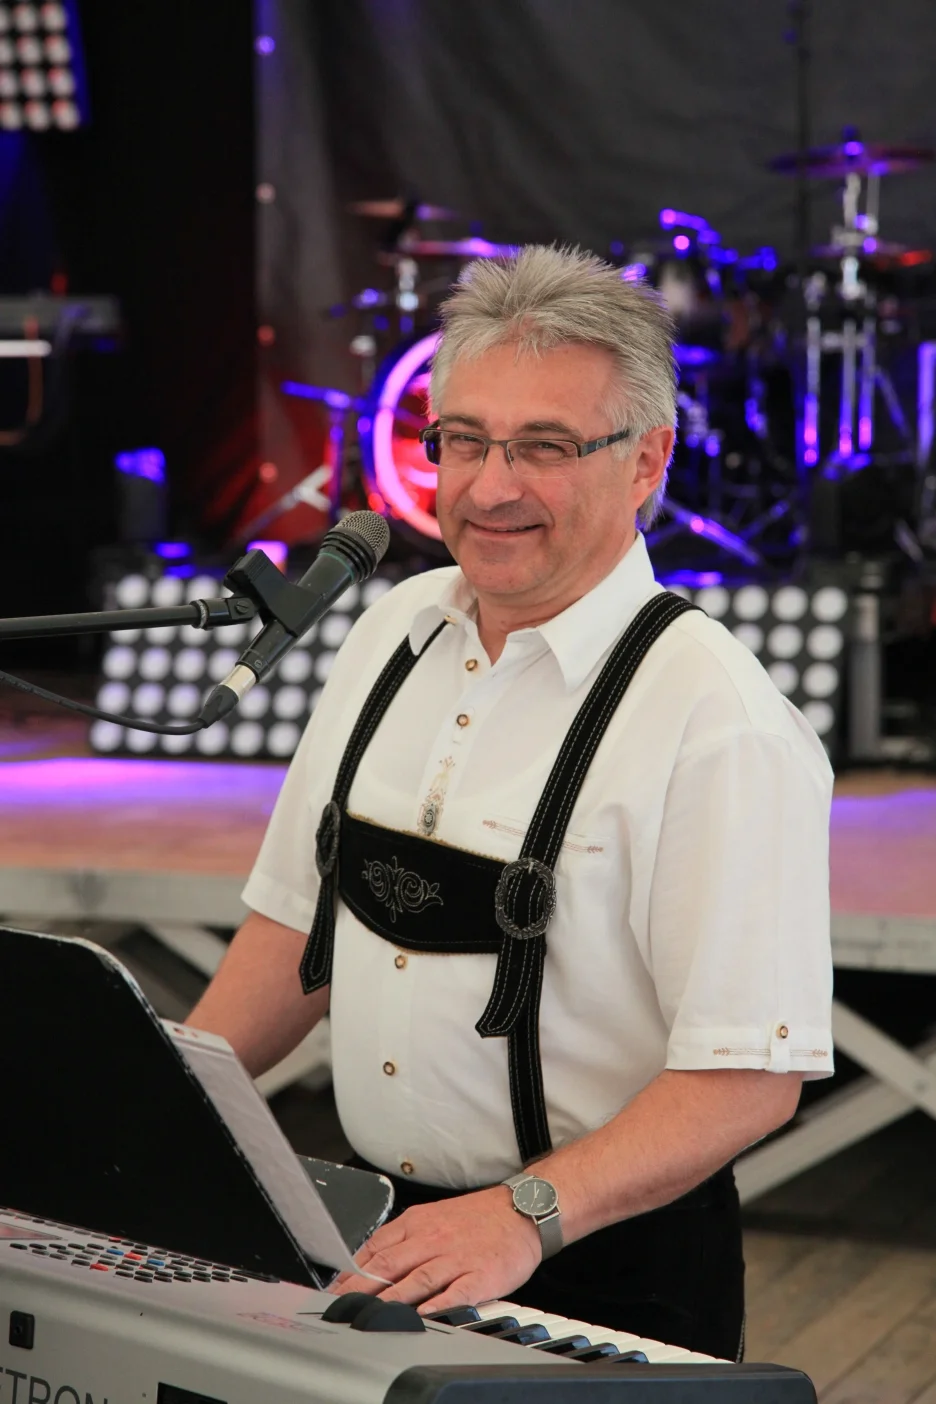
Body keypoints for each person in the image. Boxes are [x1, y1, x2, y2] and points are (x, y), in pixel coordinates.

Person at [188, 244, 833, 1361]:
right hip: (377, 1233)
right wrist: (141, 1115)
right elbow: (297, 931)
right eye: (466, 440)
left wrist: (518, 1216)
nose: (491, 488)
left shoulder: (717, 717)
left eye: (545, 446)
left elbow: (749, 1078)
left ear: (647, 461)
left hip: (604, 1256)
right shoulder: (389, 634)